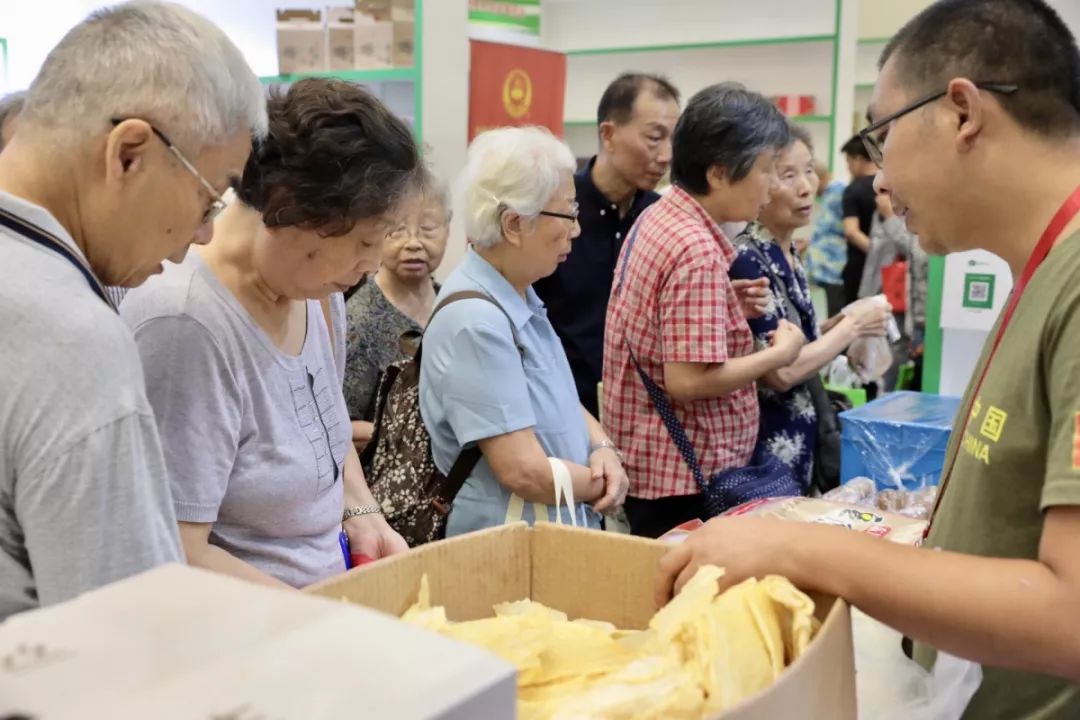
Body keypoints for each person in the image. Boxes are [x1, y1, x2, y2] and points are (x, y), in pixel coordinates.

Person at [657, 1, 1080, 717]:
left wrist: (796, 550)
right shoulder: (1041, 272)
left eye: (882, 136)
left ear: (961, 114)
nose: (879, 181)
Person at [0, 1, 265, 619]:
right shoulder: (71, 341)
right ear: (129, 154)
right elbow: (121, 639)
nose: (203, 236)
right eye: (212, 196)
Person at [121, 78, 414, 589]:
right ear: (287, 208)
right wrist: (319, 621)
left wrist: (360, 511)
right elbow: (175, 549)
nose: (372, 265)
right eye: (364, 241)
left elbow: (326, 428)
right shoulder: (185, 324)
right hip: (246, 639)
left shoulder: (316, 289)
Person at [602, 83, 807, 540]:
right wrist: (778, 355)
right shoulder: (694, 247)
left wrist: (722, 306)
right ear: (718, 173)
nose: (773, 186)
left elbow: (657, 321)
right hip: (685, 481)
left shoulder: (661, 216)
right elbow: (689, 381)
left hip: (660, 467)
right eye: (766, 170)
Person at [420, 126, 630, 536]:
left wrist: (603, 447)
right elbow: (522, 471)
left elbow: (558, 396)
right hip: (508, 545)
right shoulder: (475, 322)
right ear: (514, 223)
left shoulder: (517, 294)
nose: (576, 229)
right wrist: (603, 483)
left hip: (552, 531)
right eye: (567, 212)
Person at [729, 124, 889, 489]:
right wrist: (852, 328)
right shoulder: (747, 258)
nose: (806, 186)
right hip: (766, 445)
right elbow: (779, 372)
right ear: (759, 183)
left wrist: (842, 324)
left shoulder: (790, 252)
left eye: (809, 170)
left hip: (804, 436)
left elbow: (801, 339)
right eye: (788, 175)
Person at [533, 73, 680, 418]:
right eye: (654, 138)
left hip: (643, 415)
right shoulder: (555, 209)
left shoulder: (662, 217)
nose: (666, 156)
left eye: (673, 140)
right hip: (562, 409)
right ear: (608, 135)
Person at [344, 170, 451, 451]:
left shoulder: (453, 304)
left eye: (428, 229)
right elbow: (340, 422)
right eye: (398, 230)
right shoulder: (358, 320)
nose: (413, 242)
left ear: (448, 227)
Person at [805, 158, 849, 317]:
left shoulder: (839, 191)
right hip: (826, 268)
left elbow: (839, 228)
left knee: (836, 314)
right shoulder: (829, 194)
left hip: (834, 268)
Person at [841, 135, 879, 306]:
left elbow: (851, 231)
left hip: (860, 268)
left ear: (857, 159)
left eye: (848, 162)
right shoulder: (891, 184)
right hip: (892, 269)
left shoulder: (853, 190)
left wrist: (875, 253)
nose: (848, 168)